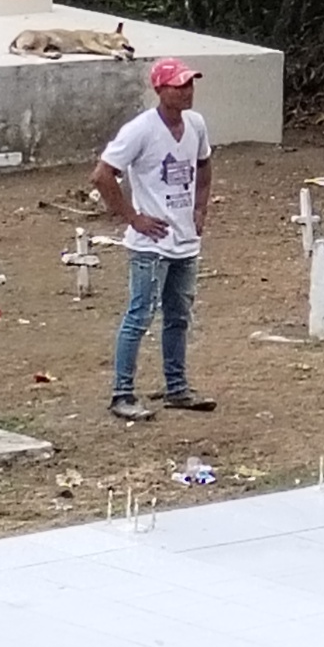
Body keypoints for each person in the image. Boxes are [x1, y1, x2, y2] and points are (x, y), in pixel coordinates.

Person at [89, 60, 219, 422]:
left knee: (179, 316)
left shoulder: (196, 124)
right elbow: (102, 175)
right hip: (150, 245)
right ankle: (122, 393)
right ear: (160, 90)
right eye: (179, 86)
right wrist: (133, 217)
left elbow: (204, 164)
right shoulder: (140, 130)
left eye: (190, 84)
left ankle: (177, 387)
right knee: (140, 315)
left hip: (185, 239)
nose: (187, 92)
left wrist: (200, 208)